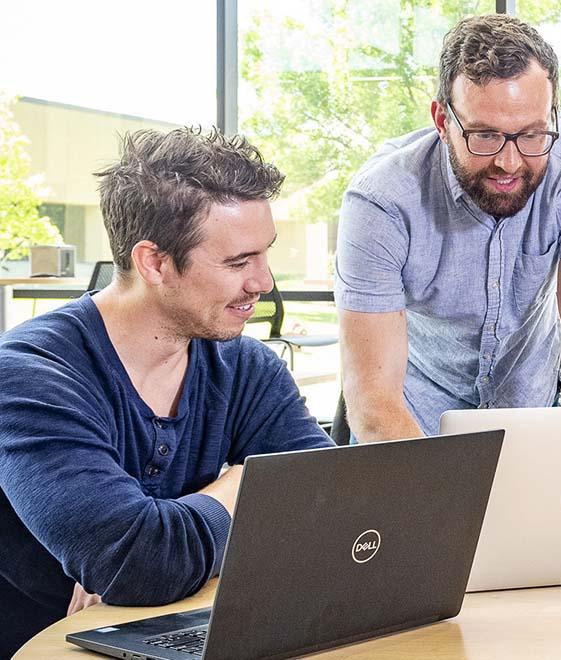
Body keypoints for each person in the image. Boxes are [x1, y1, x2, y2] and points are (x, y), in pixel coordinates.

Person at [0, 127, 333, 656]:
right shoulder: (28, 375)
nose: (264, 283)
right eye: (238, 262)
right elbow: (143, 563)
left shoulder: (245, 366)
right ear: (154, 262)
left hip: (184, 630)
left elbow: (333, 504)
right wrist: (246, 483)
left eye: (264, 255)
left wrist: (165, 542)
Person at [335, 14, 561, 442]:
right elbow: (373, 398)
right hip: (412, 421)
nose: (509, 163)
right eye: (485, 136)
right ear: (442, 121)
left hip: (530, 411)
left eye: (531, 134)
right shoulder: (381, 200)